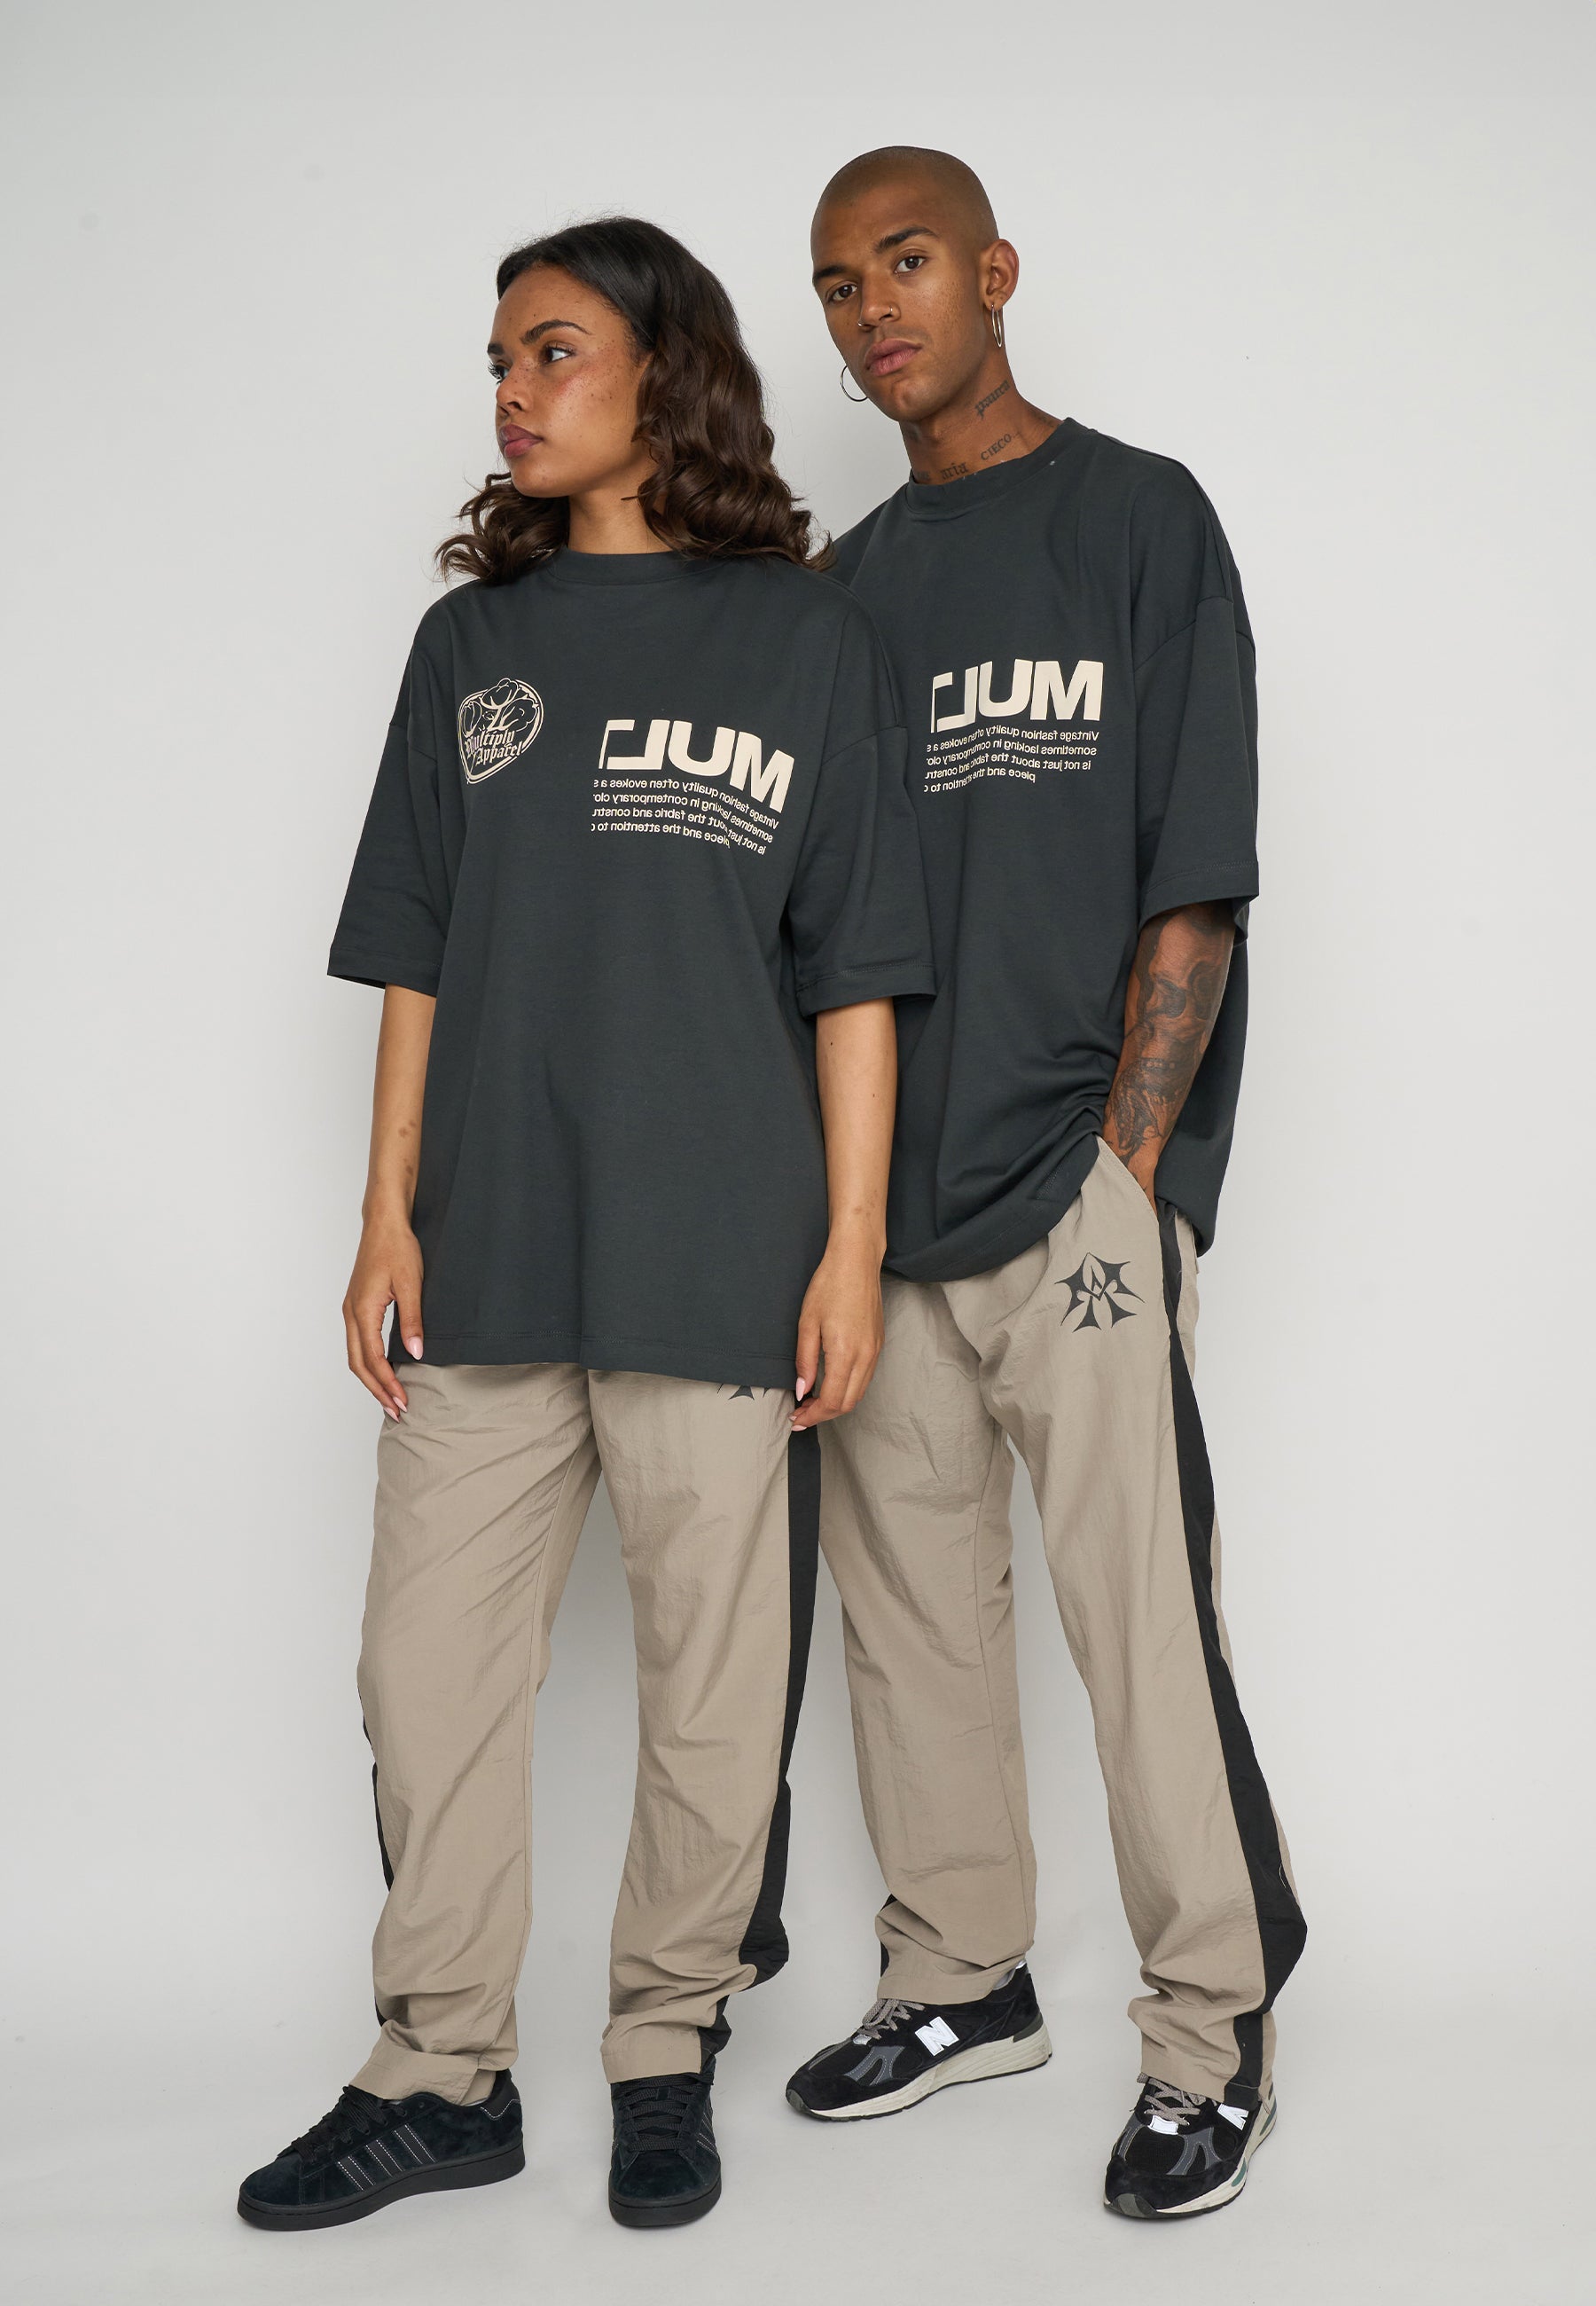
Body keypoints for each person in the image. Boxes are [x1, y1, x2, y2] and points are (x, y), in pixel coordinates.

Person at [236, 216, 934, 2236]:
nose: (513, 391)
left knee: (715, 1682)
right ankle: (440, 2069)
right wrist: (383, 1211)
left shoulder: (804, 638)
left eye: (552, 351)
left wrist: (849, 1244)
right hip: (492, 1249)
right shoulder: (473, 648)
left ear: (662, 372)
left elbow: (856, 974)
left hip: (724, 1247)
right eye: (499, 360)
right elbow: (415, 951)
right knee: (424, 1670)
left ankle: (660, 2041)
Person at [785, 148, 1305, 2221]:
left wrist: (1128, 1178)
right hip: (881, 1216)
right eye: (838, 286)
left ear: (994, 270)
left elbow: (1200, 872)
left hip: (1077, 1185)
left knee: (1142, 1628)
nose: (873, 312)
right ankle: (960, 1979)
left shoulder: (1139, 519)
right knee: (914, 1627)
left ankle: (1210, 2028)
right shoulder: (842, 590)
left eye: (906, 262)